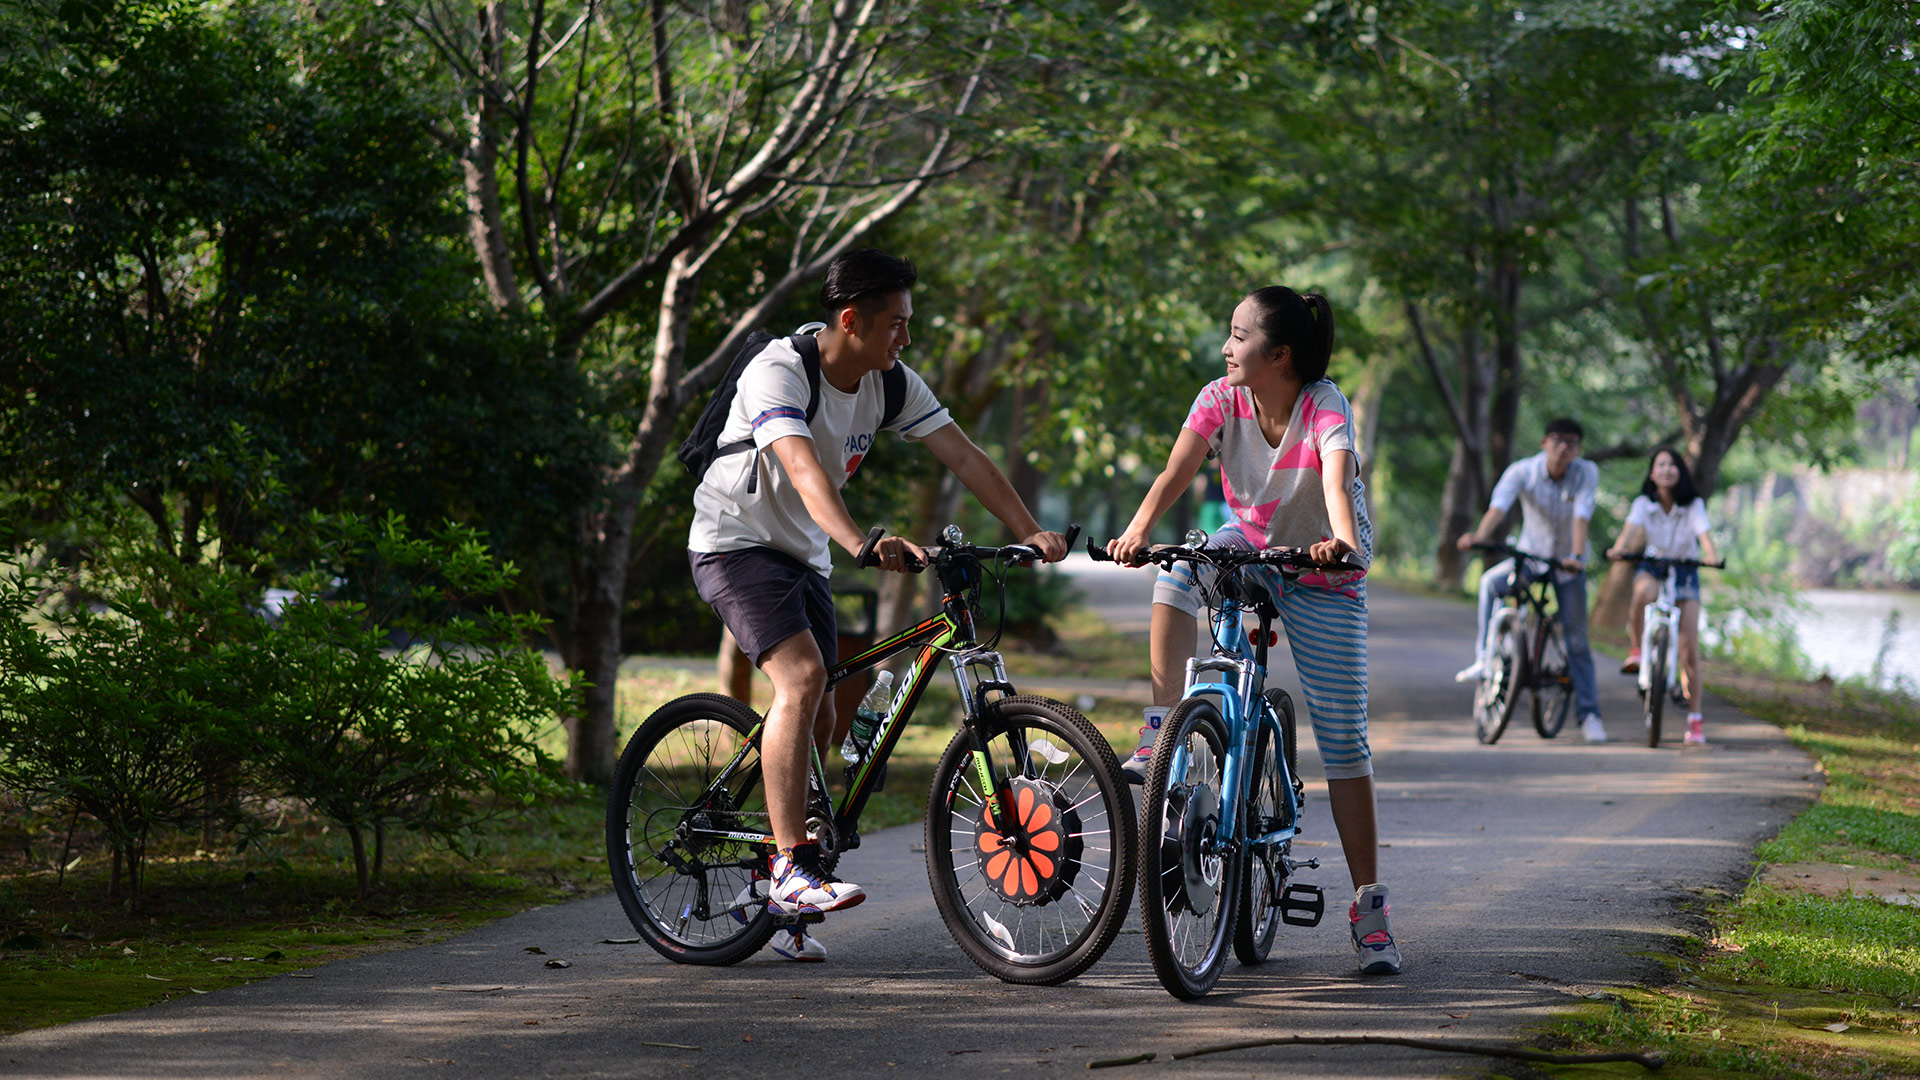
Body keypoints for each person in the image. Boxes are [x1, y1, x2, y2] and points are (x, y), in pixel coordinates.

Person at [686, 249, 1066, 962]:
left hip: (802, 553)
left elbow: (965, 455)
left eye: (909, 325)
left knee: (822, 712)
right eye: (896, 324)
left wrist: (1028, 531)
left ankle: (768, 869)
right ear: (851, 319)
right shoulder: (779, 369)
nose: (906, 339)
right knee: (800, 681)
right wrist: (863, 540)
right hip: (733, 543)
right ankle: (791, 871)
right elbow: (800, 467)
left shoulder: (889, 383)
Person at [1106, 286, 1400, 976]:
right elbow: (1178, 468)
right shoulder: (1220, 397)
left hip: (1324, 570)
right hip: (1250, 540)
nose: (1226, 347)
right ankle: (1161, 734)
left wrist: (1343, 539)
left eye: (1239, 336)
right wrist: (1140, 531)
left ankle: (1370, 907)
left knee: (1344, 740)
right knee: (1177, 575)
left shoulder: (1324, 404)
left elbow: (1337, 474)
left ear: (1280, 355)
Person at [1453, 418, 1607, 742]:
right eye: (1557, 440)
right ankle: (1485, 658)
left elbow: (1582, 515)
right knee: (1491, 584)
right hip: (1531, 558)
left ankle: (1590, 715)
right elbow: (1499, 506)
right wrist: (1479, 537)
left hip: (1568, 565)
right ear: (1544, 443)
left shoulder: (1585, 472)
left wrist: (1577, 557)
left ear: (1578, 449)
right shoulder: (1522, 471)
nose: (1564, 448)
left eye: (1571, 443)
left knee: (1577, 641)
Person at [1606, 448, 1721, 745]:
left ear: (1681, 472)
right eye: (1661, 465)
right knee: (1642, 591)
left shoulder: (1693, 504)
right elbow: (1630, 530)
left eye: (1673, 465)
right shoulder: (1644, 503)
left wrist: (1712, 556)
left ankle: (1695, 719)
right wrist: (1619, 549)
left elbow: (1704, 533)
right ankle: (1637, 649)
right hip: (1654, 564)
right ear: (1652, 473)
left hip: (1685, 569)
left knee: (1688, 650)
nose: (1667, 470)